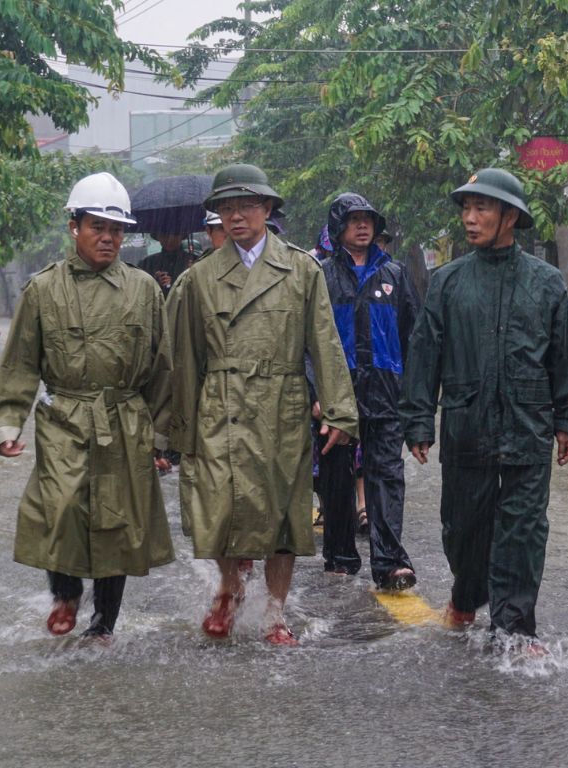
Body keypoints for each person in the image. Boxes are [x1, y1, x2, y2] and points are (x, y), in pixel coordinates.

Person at [166, 163, 358, 646]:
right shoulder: (199, 280)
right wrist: (176, 430)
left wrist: (338, 410)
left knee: (284, 511)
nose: (236, 217)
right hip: (221, 405)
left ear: (268, 209)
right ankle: (229, 589)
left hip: (282, 406)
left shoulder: (300, 270)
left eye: (246, 206)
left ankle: (275, 608)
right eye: (226, 208)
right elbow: (183, 358)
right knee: (220, 505)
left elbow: (325, 343)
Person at [400, 168, 568, 648]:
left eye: (481, 207)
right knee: (463, 528)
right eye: (466, 207)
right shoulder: (447, 282)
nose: (469, 217)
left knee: (523, 530)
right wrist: (419, 419)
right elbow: (424, 355)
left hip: (528, 427)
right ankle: (466, 594)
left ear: (510, 216)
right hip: (466, 425)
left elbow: (566, 358)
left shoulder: (546, 284)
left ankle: (515, 627)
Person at [0, 171, 174, 640]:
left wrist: (163, 436)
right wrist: (6, 424)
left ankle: (103, 623)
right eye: (98, 228)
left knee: (118, 521)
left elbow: (162, 368)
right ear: (74, 226)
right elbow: (20, 364)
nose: (108, 239)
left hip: (125, 420)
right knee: (62, 506)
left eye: (116, 231)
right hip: (65, 418)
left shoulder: (144, 290)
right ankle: (66, 592)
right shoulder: (43, 290)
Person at [318, 193, 420, 590]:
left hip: (385, 393)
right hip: (336, 395)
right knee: (336, 477)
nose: (363, 226)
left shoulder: (394, 274)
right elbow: (309, 342)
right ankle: (340, 554)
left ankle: (391, 560)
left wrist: (414, 394)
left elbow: (414, 336)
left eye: (368, 220)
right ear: (337, 227)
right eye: (353, 219)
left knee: (386, 475)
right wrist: (317, 392)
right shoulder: (322, 276)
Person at [137, 232, 198, 298]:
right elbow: (140, 292)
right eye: (164, 235)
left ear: (181, 236)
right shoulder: (146, 263)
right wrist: (154, 283)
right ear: (158, 237)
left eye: (175, 234)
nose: (170, 239)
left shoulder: (195, 261)